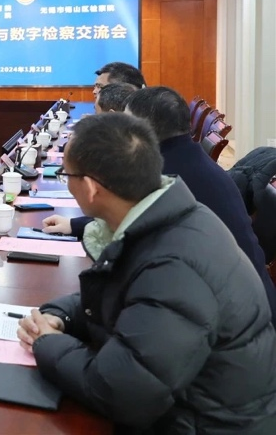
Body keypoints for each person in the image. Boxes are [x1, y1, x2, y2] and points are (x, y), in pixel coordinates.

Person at [18, 113, 276, 434]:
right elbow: (124, 293)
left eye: (65, 175)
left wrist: (47, 343)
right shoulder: (169, 216)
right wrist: (61, 316)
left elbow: (122, 394)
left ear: (91, 188)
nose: (66, 183)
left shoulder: (173, 268)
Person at [45, 86, 276, 324]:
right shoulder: (188, 158)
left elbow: (128, 221)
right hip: (248, 304)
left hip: (233, 318)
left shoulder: (166, 176)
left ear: (141, 131)